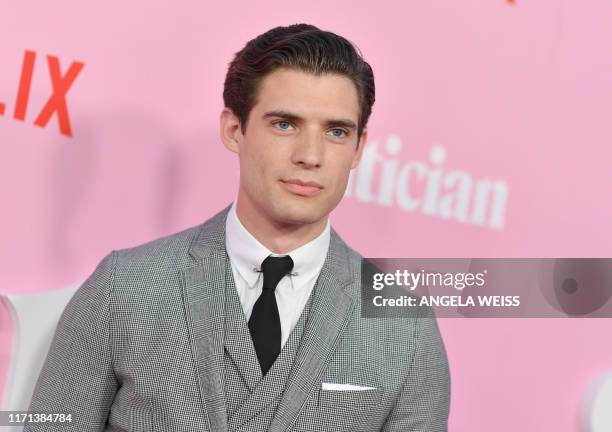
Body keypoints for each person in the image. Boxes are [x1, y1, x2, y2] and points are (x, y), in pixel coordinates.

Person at [25, 23, 450, 431]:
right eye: (285, 124)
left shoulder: (406, 329)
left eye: (336, 131)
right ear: (234, 129)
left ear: (358, 148)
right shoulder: (124, 287)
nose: (310, 155)